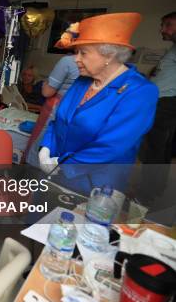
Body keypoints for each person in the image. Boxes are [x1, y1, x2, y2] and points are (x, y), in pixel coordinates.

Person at [38, 12, 159, 194]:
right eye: (75, 52)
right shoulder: (83, 80)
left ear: (108, 55)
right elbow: (59, 121)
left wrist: (62, 165)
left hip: (94, 186)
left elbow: (111, 146)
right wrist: (46, 148)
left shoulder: (140, 92)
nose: (76, 59)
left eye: (83, 53)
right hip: (55, 174)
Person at [138, 11, 176, 203]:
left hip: (166, 104)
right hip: (162, 101)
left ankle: (144, 197)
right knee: (161, 149)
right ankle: (155, 189)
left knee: (153, 149)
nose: (163, 29)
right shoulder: (172, 49)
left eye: (168, 24)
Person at [24, 55, 79, 165]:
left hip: (55, 109)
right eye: (24, 75)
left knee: (41, 142)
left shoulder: (68, 61)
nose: (26, 77)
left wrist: (45, 85)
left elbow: (46, 93)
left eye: (30, 75)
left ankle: (30, 169)